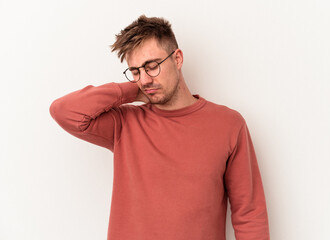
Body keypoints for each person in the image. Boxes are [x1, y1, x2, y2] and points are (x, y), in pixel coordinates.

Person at [49, 15, 270, 240]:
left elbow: (249, 214)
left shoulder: (228, 124)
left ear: (178, 58)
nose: (144, 79)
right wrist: (132, 90)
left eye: (152, 66)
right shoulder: (125, 124)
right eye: (135, 71)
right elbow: (64, 111)